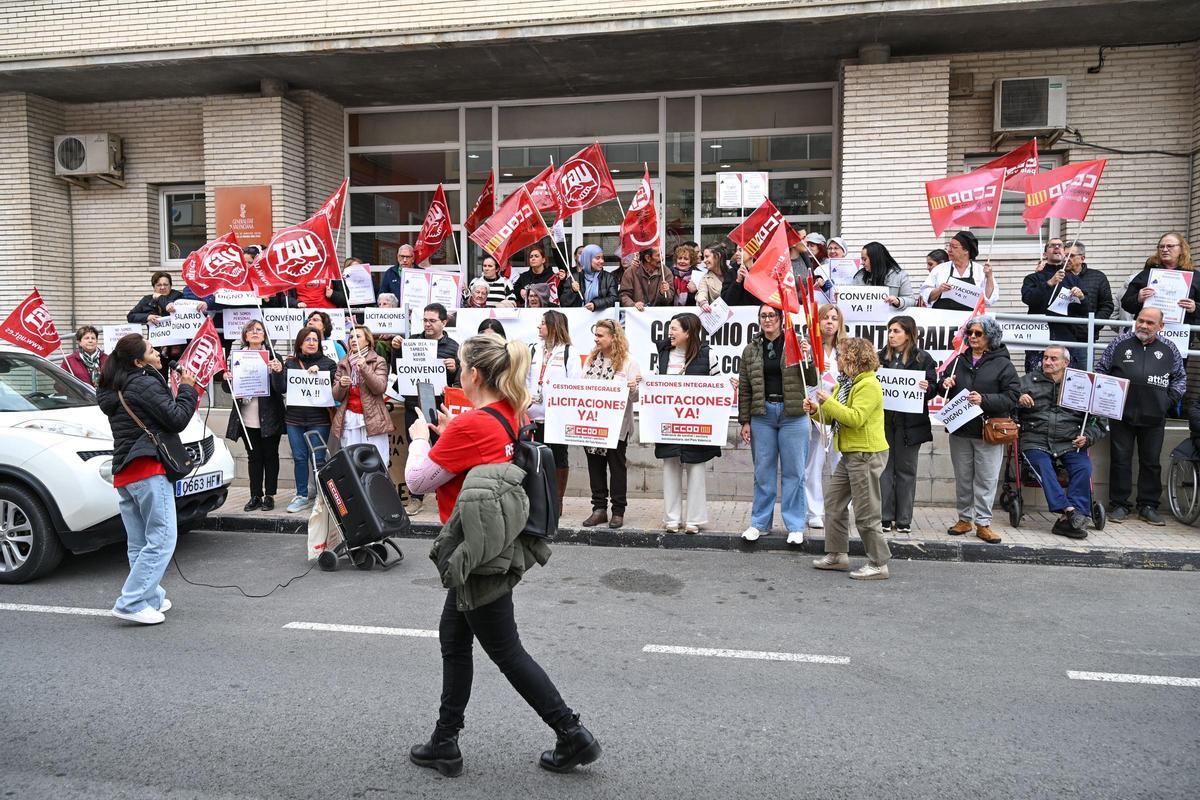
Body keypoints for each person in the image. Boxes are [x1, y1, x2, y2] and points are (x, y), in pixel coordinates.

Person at [403, 332, 601, 777]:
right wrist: (453, 429)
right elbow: (478, 449)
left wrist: (420, 438)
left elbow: (417, 481)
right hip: (492, 541)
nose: (456, 373)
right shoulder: (508, 412)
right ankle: (445, 742)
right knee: (453, 639)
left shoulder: (469, 425)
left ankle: (572, 733)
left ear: (473, 373)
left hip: (476, 548)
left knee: (505, 650)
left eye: (458, 367)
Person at [96, 333, 197, 625]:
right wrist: (188, 389)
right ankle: (130, 602)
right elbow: (176, 418)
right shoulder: (142, 383)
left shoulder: (116, 385)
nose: (158, 353)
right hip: (147, 469)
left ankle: (150, 597)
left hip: (126, 473)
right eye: (152, 350)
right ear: (139, 361)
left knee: (140, 541)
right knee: (163, 538)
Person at [803, 337, 892, 581]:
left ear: (853, 358)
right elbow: (834, 419)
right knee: (833, 502)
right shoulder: (847, 384)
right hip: (851, 452)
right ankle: (838, 554)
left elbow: (855, 418)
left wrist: (828, 403)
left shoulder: (869, 385)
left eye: (841, 355)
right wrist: (815, 410)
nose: (837, 359)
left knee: (866, 511)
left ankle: (878, 563)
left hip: (865, 454)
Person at [1096, 307, 1187, 525]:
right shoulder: (1119, 343)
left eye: (1150, 323)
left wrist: (1166, 402)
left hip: (1154, 416)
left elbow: (1180, 379)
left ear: (1161, 326)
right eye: (1141, 320)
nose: (1143, 326)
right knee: (1120, 460)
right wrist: (1109, 399)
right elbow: (1101, 370)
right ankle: (1119, 505)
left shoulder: (1169, 348)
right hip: (1122, 415)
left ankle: (1148, 505)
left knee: (1151, 462)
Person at [738, 304, 817, 544]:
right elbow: (745, 387)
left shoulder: (796, 343)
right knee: (763, 471)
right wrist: (745, 420)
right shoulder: (751, 350)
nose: (767, 319)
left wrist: (808, 358)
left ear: (782, 319)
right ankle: (759, 523)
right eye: (763, 316)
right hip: (762, 415)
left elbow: (812, 379)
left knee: (794, 472)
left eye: (772, 315)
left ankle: (795, 525)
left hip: (793, 415)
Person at [941, 315, 1020, 543]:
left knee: (986, 479)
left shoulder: (1003, 363)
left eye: (978, 333)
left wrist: (984, 400)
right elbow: (941, 387)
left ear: (990, 337)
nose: (973, 337)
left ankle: (983, 523)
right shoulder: (958, 360)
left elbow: (1013, 396)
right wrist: (944, 384)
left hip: (988, 432)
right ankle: (964, 519)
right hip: (961, 429)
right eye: (970, 333)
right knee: (963, 478)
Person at [1016, 346, 1108, 538]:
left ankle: (1068, 522)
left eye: (1053, 359)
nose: (1047, 362)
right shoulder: (1027, 382)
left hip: (1070, 441)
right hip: (1035, 439)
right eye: (1045, 358)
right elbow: (1006, 403)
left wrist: (1088, 437)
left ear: (1066, 363)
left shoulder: (1082, 385)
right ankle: (1069, 510)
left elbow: (1100, 422)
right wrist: (1017, 399)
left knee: (1083, 467)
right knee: (1043, 465)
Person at [655, 313, 721, 533]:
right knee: (670, 469)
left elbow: (718, 387)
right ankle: (671, 518)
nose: (669, 333)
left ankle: (694, 519)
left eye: (674, 329)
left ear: (688, 332)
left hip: (697, 426)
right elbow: (656, 385)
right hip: (669, 424)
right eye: (669, 328)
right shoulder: (664, 354)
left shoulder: (708, 355)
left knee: (696, 470)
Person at [877, 315, 938, 534]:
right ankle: (884, 517)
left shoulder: (923, 358)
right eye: (890, 331)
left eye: (896, 331)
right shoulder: (880, 357)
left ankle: (903, 520)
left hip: (911, 424)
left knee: (906, 471)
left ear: (909, 334)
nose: (891, 335)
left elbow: (934, 387)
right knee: (884, 470)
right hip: (884, 422)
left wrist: (926, 387)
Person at [402, 303, 461, 516]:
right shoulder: (413, 343)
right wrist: (395, 350)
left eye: (432, 320)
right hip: (414, 405)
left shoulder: (453, 347)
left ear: (444, 322)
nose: (427, 324)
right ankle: (415, 497)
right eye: (425, 320)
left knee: (441, 450)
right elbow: (399, 371)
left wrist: (454, 369)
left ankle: (442, 496)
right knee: (416, 448)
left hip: (438, 407)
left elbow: (459, 382)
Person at [581, 319, 641, 529]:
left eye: (600, 335)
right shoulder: (590, 360)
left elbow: (636, 398)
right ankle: (598, 509)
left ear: (613, 338)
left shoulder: (628, 362)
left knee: (616, 468)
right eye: (595, 335)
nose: (596, 339)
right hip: (592, 425)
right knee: (594, 467)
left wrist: (634, 388)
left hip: (617, 427)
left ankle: (618, 511)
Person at [271, 326, 337, 514]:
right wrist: (277, 372)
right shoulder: (291, 363)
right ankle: (301, 495)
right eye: (307, 339)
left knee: (318, 458)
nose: (311, 343)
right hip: (294, 420)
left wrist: (322, 372)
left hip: (319, 420)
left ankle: (322, 496)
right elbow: (281, 388)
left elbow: (334, 388)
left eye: (315, 340)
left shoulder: (328, 363)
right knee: (300, 458)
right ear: (300, 342)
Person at [226, 319, 285, 512]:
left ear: (265, 335)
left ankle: (269, 495)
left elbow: (281, 388)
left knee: (270, 456)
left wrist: (277, 372)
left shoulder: (274, 356)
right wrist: (228, 380)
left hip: (269, 417)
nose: (255, 333)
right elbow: (229, 390)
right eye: (250, 330)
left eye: (259, 330)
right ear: (244, 335)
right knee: (254, 457)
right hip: (246, 417)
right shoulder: (237, 356)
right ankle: (255, 495)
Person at [527, 310, 582, 513]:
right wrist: (526, 397)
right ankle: (538, 498)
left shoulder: (569, 352)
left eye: (542, 323)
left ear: (553, 326)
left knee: (558, 457)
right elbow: (524, 378)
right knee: (536, 457)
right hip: (534, 414)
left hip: (557, 416)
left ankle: (557, 499)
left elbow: (575, 384)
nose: (538, 327)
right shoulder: (533, 350)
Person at [805, 303, 847, 529]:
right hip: (815, 412)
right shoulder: (809, 347)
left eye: (834, 318)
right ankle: (814, 510)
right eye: (825, 318)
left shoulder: (846, 349)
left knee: (840, 463)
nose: (830, 322)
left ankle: (841, 509)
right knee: (814, 463)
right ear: (818, 322)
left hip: (839, 412)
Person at [332, 326, 394, 467]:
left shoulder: (378, 361)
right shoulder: (343, 363)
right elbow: (335, 395)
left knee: (376, 460)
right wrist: (341, 385)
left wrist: (365, 368)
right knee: (352, 462)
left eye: (358, 336)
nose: (353, 340)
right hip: (349, 418)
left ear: (368, 340)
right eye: (351, 337)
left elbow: (379, 388)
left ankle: (376, 489)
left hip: (373, 419)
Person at [1121, 232, 1198, 324]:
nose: (1165, 250)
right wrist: (1138, 298)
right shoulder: (1146, 274)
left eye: (1170, 246)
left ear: (1181, 249)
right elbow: (1125, 304)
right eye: (1161, 247)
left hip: (1179, 333)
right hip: (1148, 331)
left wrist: (1195, 307)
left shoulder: (1195, 277)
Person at [1019, 237, 1071, 372]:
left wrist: (1081, 297)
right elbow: (1028, 298)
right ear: (1044, 254)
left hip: (1065, 336)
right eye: (1052, 245)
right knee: (1035, 378)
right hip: (1038, 336)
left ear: (1065, 253)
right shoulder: (1032, 278)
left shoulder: (1073, 279)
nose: (1057, 248)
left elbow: (1085, 308)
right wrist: (1049, 283)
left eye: (1060, 245)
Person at [921, 230, 999, 310]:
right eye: (949, 246)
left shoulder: (980, 271)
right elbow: (925, 295)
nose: (949, 250)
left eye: (954, 247)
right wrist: (939, 290)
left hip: (970, 320)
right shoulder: (939, 269)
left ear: (966, 251)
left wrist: (989, 277)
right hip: (943, 319)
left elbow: (989, 300)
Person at [127, 272, 184, 371]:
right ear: (154, 286)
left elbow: (169, 307)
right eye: (159, 285)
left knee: (178, 376)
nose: (162, 287)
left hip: (177, 346)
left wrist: (159, 297)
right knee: (160, 376)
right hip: (157, 347)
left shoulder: (178, 296)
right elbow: (131, 316)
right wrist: (147, 316)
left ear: (171, 285)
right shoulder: (147, 300)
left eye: (166, 284)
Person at [851, 241, 915, 309]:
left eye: (865, 259)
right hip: (865, 318)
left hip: (891, 318)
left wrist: (898, 301)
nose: (862, 263)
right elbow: (851, 300)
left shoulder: (899, 275)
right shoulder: (859, 277)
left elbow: (912, 301)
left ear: (875, 259)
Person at [559, 244, 619, 311]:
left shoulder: (609, 278)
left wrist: (595, 304)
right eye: (597, 258)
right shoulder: (574, 278)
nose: (602, 261)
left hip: (602, 320)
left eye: (602, 258)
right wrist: (572, 291)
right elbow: (563, 303)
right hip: (579, 319)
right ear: (587, 259)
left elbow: (614, 299)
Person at [694, 243, 728, 313]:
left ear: (718, 256)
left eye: (707, 256)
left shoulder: (733, 272)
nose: (704, 260)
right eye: (704, 257)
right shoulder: (705, 278)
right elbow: (701, 293)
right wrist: (703, 303)